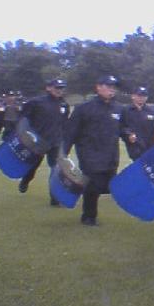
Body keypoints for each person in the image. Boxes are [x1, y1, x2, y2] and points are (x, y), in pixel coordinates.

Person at [63, 75, 131, 226]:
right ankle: (88, 216)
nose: (112, 89)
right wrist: (63, 153)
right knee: (93, 185)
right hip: (89, 154)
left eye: (114, 86)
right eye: (108, 86)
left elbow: (123, 128)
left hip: (111, 155)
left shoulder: (119, 109)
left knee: (106, 186)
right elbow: (71, 132)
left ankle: (87, 196)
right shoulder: (84, 108)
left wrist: (128, 135)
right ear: (98, 87)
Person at [18, 78, 70, 205]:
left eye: (61, 88)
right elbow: (24, 118)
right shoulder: (36, 102)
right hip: (38, 142)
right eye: (57, 88)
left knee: (56, 169)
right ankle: (26, 180)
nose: (59, 90)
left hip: (56, 142)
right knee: (32, 166)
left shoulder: (64, 105)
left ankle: (55, 198)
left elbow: (64, 123)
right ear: (49, 88)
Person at [123, 86, 154, 161]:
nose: (141, 97)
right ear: (133, 96)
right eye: (139, 95)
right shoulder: (126, 111)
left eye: (144, 95)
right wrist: (128, 134)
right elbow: (122, 127)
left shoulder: (152, 111)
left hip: (149, 147)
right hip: (134, 148)